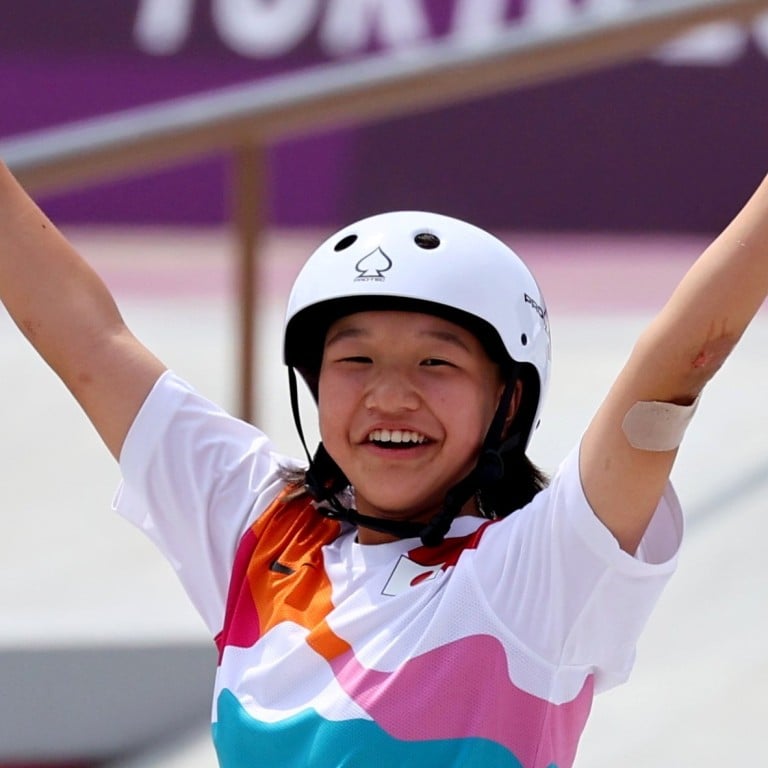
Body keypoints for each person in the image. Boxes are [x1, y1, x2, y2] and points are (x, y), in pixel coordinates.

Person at [1, 158, 766, 768]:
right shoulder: (256, 529)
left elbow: (680, 357)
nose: (389, 396)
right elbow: (83, 336)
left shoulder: (536, 577)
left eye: (437, 363)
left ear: (507, 403)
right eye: (355, 359)